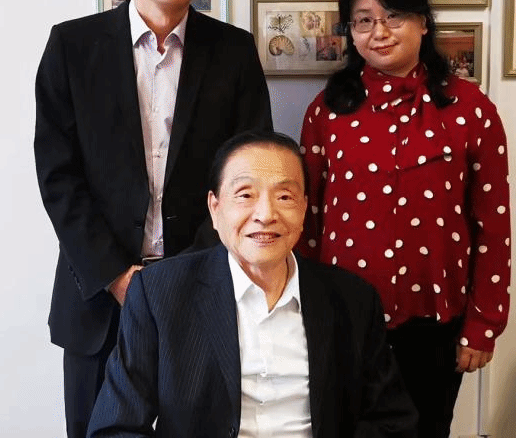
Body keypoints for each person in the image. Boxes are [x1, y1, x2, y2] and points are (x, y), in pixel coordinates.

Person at [34, 0, 273, 438]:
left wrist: (183, 277)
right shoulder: (73, 46)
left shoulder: (234, 52)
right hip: (97, 296)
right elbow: (58, 176)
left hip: (202, 289)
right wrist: (118, 276)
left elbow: (250, 172)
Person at [299, 0, 512, 438]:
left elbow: (493, 225)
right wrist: (303, 315)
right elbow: (307, 221)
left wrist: (484, 324)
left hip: (437, 322)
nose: (379, 32)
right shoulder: (328, 110)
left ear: (423, 22)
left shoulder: (470, 109)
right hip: (344, 317)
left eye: (393, 16)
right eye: (364, 20)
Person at [87, 131, 419, 437]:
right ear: (215, 208)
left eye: (285, 196)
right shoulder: (159, 294)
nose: (265, 214)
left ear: (304, 207)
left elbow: (392, 422)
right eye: (245, 194)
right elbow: (115, 428)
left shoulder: (353, 300)